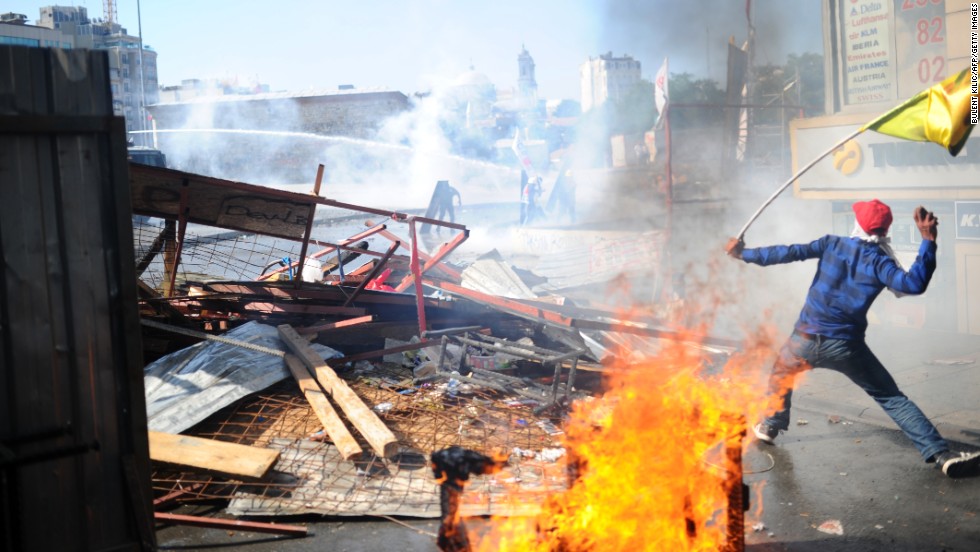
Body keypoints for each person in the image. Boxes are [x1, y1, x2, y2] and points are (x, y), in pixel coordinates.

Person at [725, 199, 980, 478]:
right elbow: (913, 284)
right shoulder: (880, 261)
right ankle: (941, 454)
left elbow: (786, 253)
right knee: (891, 397)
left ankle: (771, 424)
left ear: (856, 224)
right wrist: (928, 241)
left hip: (803, 339)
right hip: (846, 346)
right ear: (884, 231)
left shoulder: (831, 244)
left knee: (781, 374)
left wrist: (743, 254)